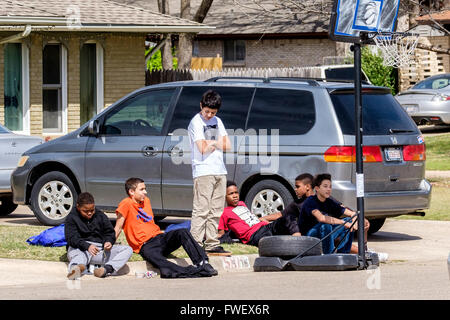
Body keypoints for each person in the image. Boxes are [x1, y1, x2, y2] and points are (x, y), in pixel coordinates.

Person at [114, 177, 218, 278]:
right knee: (165, 267)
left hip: (160, 238)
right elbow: (118, 227)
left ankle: (202, 262)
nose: (145, 192)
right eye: (141, 189)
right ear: (131, 192)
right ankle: (194, 272)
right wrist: (109, 243)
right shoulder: (126, 203)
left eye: (145, 189)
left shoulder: (146, 201)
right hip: (145, 246)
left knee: (182, 232)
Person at [188, 89, 232, 256]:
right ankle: (196, 243)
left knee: (216, 209)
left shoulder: (218, 121)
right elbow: (202, 148)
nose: (208, 115)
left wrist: (212, 143)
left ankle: (212, 243)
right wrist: (216, 142)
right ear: (201, 106)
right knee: (202, 209)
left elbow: (228, 145)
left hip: (219, 169)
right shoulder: (196, 122)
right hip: (203, 170)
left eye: (212, 112)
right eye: (206, 111)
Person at [65, 192, 133, 280]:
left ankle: (106, 269)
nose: (89, 213)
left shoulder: (100, 215)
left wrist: (108, 241)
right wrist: (87, 246)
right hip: (80, 249)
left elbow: (110, 232)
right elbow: (71, 238)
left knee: (127, 249)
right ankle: (75, 270)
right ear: (78, 207)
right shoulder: (71, 217)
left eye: (92, 210)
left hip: (99, 251)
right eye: (85, 211)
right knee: (78, 256)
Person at [218, 181, 298, 247]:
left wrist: (262, 220)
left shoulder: (242, 203)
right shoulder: (223, 212)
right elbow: (221, 235)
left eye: (236, 193)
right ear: (224, 196)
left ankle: (299, 243)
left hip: (265, 227)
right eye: (231, 194)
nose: (235, 196)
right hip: (254, 235)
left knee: (288, 218)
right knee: (275, 242)